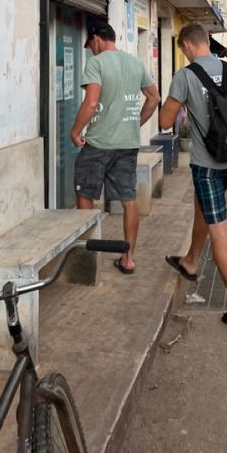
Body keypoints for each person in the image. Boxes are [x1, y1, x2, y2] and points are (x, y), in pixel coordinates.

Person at [160, 21, 227, 331]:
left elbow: (165, 121)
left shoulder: (185, 76)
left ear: (187, 46)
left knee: (219, 232)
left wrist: (183, 104)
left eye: (183, 50)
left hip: (208, 166)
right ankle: (190, 261)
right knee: (203, 207)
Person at [70, 19, 160, 275]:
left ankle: (88, 263)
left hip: (98, 144)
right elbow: (154, 98)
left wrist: (75, 132)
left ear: (96, 39)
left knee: (86, 195)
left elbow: (90, 104)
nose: (90, 50)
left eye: (90, 45)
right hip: (127, 145)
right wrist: (135, 123)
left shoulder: (97, 63)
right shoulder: (134, 62)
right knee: (128, 199)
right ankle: (128, 258)